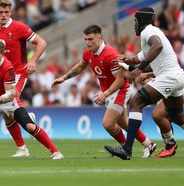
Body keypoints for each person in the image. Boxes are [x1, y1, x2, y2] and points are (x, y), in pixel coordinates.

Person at [105, 7, 184, 160]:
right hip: (177, 77)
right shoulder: (151, 34)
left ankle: (127, 149)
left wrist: (140, 69)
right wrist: (125, 60)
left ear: (141, 21)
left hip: (169, 77)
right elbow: (139, 58)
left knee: (136, 101)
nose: (134, 25)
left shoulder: (148, 31)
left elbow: (157, 46)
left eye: (135, 21)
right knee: (177, 116)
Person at [52, 25, 157, 158]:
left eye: (90, 39)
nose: (87, 42)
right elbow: (80, 66)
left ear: (99, 37)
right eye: (85, 39)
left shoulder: (110, 54)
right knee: (125, 124)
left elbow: (120, 80)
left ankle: (125, 148)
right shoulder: (88, 53)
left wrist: (104, 94)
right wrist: (63, 77)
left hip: (120, 90)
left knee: (108, 124)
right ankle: (148, 144)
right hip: (108, 91)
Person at [0, 41, 64, 160]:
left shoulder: (8, 67)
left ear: (3, 54)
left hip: (9, 103)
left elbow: (10, 95)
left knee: (30, 127)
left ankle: (56, 152)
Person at [0, 0, 47, 157]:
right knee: (7, 113)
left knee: (10, 99)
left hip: (18, 73)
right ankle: (22, 148)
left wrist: (33, 61)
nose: (4, 15)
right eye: (0, 12)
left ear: (11, 12)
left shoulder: (19, 27)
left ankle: (27, 118)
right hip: (0, 75)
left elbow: (42, 43)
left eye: (6, 12)